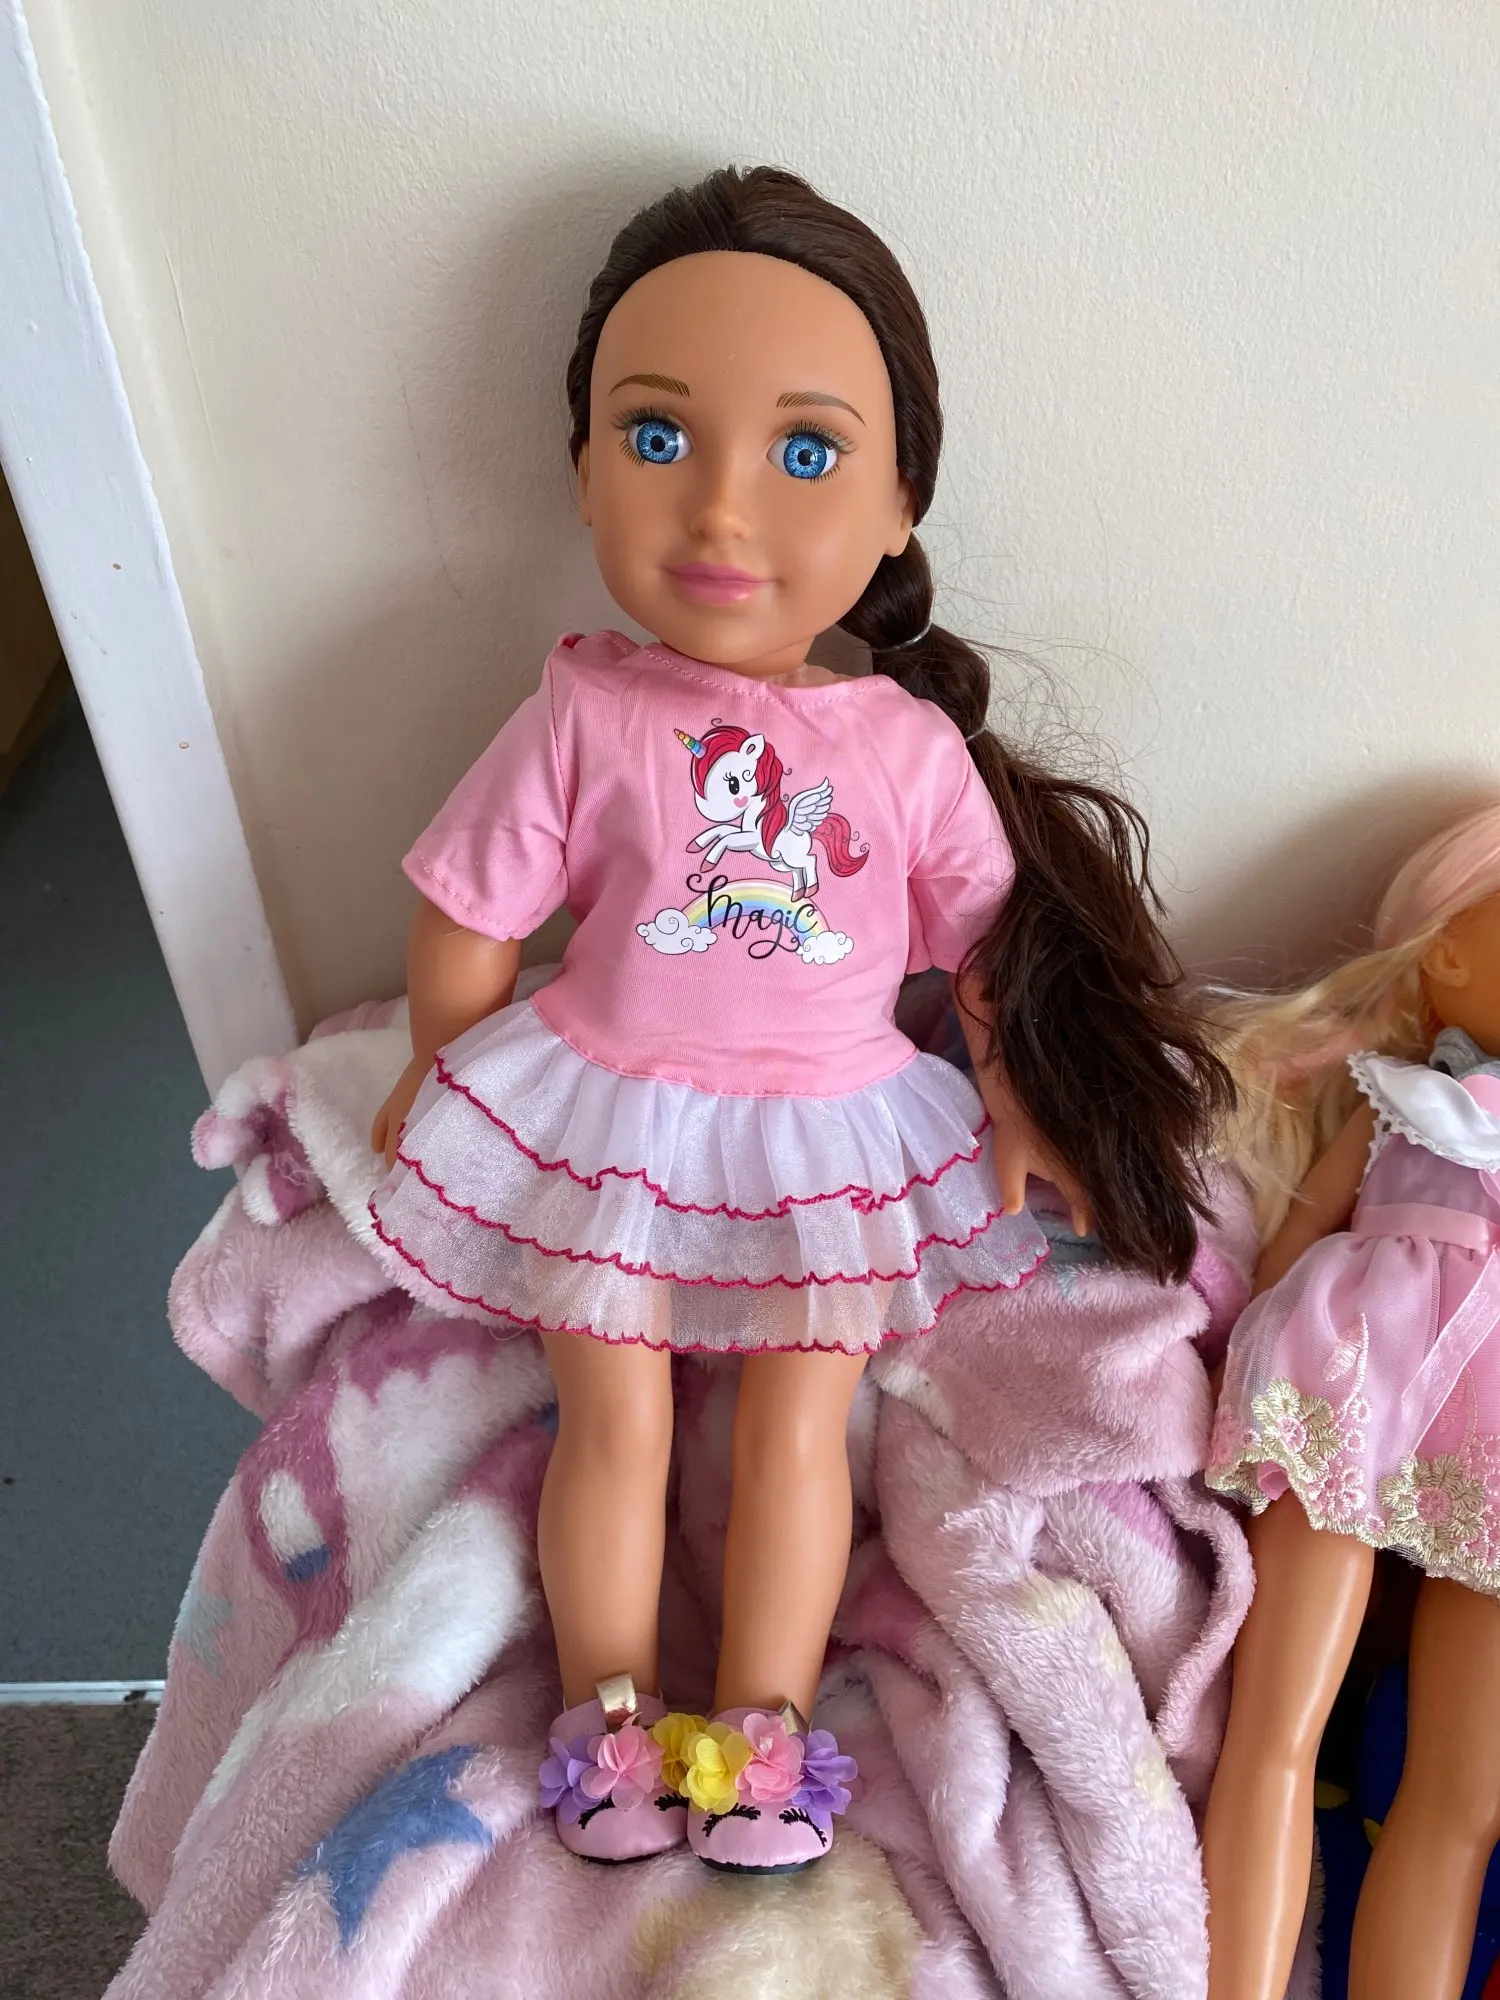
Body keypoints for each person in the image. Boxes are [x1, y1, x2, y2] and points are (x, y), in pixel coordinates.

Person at [369, 165, 1229, 1873]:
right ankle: (608, 1731)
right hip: (605, 1105)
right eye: (658, 436)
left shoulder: (903, 748)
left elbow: (990, 950)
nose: (722, 509)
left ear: (903, 501)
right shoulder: (581, 707)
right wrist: (435, 1076)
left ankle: (758, 1748)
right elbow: (471, 914)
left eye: (809, 453)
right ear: (584, 466)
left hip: (836, 1127)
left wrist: (1021, 1093)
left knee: (798, 1432)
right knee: (612, 1420)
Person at [1203, 803, 1500, 1999]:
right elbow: (1291, 1247)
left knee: (1463, 1797)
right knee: (1271, 1734)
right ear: (1448, 949)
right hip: (1351, 1387)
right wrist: (1234, 1367)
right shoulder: (1394, 1101)